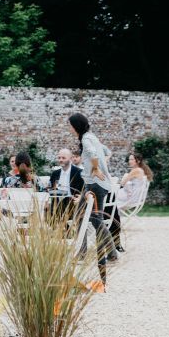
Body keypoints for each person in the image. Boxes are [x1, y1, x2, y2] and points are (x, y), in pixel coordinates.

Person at [68, 113, 117, 284]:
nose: (70, 129)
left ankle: (111, 252)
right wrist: (101, 165)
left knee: (95, 220)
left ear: (76, 126)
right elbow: (106, 151)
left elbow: (92, 152)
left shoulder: (86, 140)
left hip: (95, 185)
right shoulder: (92, 137)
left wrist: (96, 168)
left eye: (71, 126)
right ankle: (82, 251)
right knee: (80, 216)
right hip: (91, 185)